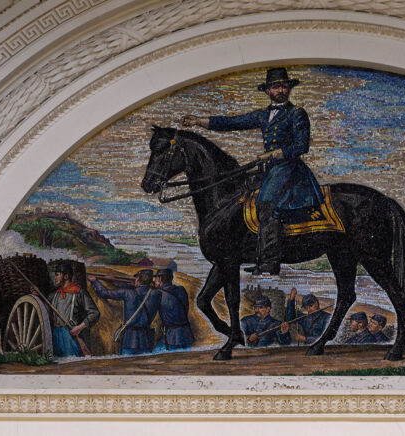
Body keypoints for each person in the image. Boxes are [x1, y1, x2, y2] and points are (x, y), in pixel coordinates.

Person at [181, 67, 324, 276]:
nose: (281, 90)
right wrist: (199, 121)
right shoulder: (263, 115)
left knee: (266, 204)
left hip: (289, 169)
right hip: (270, 170)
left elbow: (302, 146)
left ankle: (270, 260)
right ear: (267, 91)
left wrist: (275, 154)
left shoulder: (296, 113)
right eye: (276, 87)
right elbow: (232, 122)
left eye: (284, 86)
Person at [89, 269, 160, 355]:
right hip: (147, 339)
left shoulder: (128, 293)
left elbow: (105, 293)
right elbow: (142, 290)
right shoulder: (157, 294)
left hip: (129, 339)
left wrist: (95, 281)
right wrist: (116, 282)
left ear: (137, 279)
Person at [46, 263, 99, 357]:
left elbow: (94, 313)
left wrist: (79, 328)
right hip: (55, 336)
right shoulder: (53, 295)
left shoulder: (79, 293)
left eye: (57, 275)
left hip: (70, 337)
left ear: (66, 276)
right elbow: (44, 312)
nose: (55, 278)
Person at [151, 268, 194, 352]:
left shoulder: (157, 293)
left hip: (172, 338)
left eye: (155, 278)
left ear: (159, 279)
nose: (154, 280)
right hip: (187, 335)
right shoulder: (182, 290)